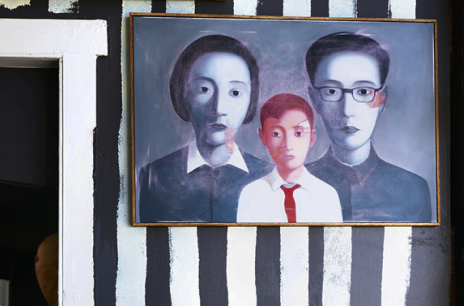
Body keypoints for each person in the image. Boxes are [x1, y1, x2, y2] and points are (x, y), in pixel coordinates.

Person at [137, 34, 272, 223]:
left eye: (235, 92)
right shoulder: (151, 176)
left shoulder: (270, 176)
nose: (219, 108)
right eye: (204, 89)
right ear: (182, 94)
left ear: (251, 100)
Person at [305, 32, 432, 222]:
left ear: (382, 99)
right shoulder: (292, 185)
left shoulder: (413, 189)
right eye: (331, 91)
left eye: (364, 91)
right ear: (314, 99)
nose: (347, 110)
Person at [237, 93, 342, 223]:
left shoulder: (327, 195)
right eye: (276, 134)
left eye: (298, 133)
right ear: (263, 136)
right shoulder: (251, 194)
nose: (288, 145)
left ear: (312, 137)